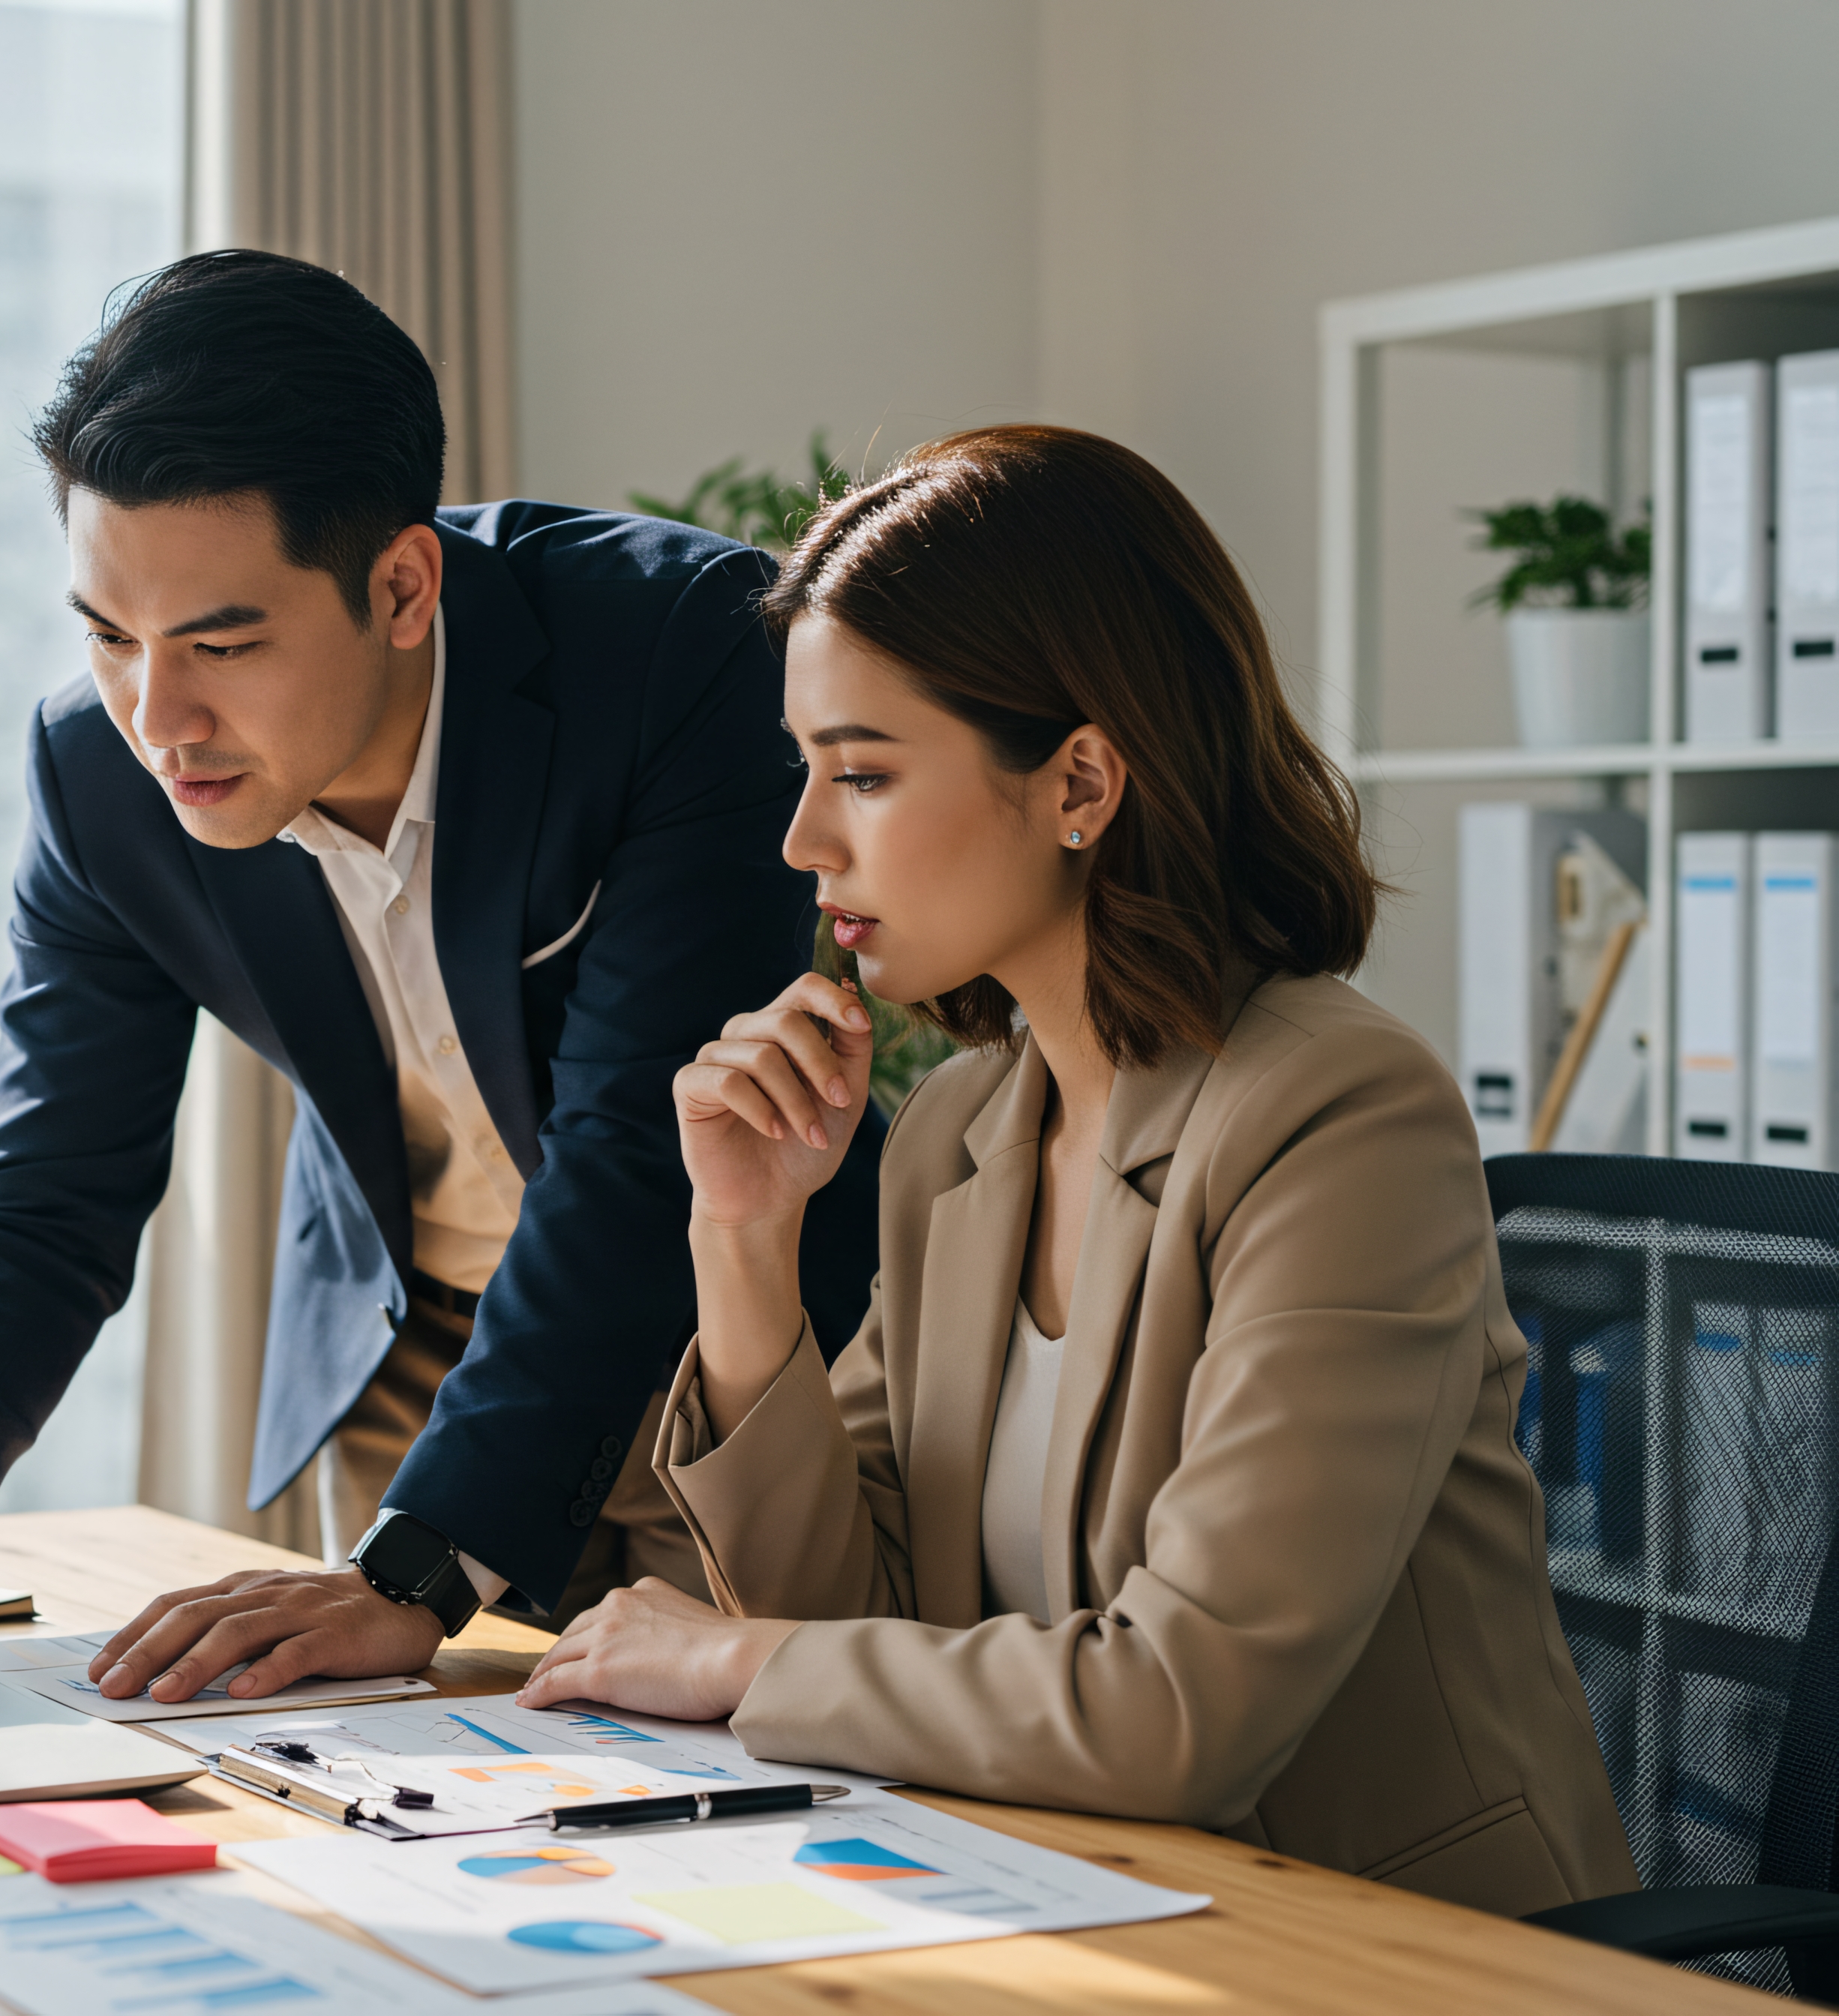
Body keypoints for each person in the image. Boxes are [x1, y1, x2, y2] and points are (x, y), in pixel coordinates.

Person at [0, 250, 880, 1694]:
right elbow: (52, 1175)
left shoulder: (681, 652)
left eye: (222, 642)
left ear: (405, 586)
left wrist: (418, 1567)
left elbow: (634, 1152)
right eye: (110, 637)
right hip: (403, 1366)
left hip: (716, 1362)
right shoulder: (97, 770)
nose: (158, 716)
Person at [512, 424, 1636, 1916]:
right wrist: (743, 1240)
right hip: (1072, 1894)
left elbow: (1182, 1708)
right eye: (805, 773)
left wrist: (736, 1662)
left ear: (1081, 783)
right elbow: (843, 1620)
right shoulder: (959, 1136)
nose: (800, 841)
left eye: (862, 775)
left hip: (1383, 1941)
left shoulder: (1346, 1118)